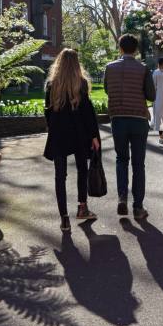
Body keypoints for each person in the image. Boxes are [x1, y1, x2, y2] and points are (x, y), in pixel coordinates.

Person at [44, 49, 100, 232]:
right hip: (79, 133)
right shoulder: (81, 83)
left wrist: (51, 129)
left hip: (59, 134)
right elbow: (87, 112)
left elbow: (48, 111)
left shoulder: (51, 85)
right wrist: (94, 136)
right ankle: (82, 208)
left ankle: (64, 218)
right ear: (76, 64)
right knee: (82, 170)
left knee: (60, 176)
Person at [104, 34, 156, 220]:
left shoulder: (109, 68)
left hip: (118, 117)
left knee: (121, 159)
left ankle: (122, 198)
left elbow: (107, 89)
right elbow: (151, 96)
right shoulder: (143, 69)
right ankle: (138, 207)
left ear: (120, 48)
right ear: (135, 50)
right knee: (138, 163)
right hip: (138, 118)